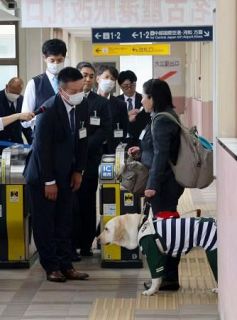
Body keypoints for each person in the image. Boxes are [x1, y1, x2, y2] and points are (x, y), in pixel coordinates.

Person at [23, 67, 89, 282]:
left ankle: (66, 264)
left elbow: (82, 140)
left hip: (66, 174)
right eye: (74, 90)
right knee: (45, 223)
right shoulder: (48, 111)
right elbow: (42, 150)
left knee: (64, 220)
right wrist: (49, 181)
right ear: (62, 91)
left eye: (82, 89)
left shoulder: (80, 106)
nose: (80, 93)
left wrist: (79, 170)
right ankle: (51, 267)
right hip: (43, 177)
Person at [128, 79, 184, 291]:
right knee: (166, 230)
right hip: (165, 183)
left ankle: (169, 278)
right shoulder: (162, 116)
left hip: (164, 185)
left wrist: (152, 185)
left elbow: (161, 156)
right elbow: (158, 150)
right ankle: (166, 277)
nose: (142, 100)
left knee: (167, 231)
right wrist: (141, 152)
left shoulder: (162, 120)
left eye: (144, 96)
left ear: (154, 98)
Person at [71, 61, 112, 259]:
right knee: (71, 205)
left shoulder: (101, 103)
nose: (87, 79)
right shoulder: (68, 99)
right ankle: (71, 244)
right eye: (83, 75)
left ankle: (86, 244)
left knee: (87, 202)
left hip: (89, 160)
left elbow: (105, 128)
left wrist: (85, 146)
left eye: (90, 75)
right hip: (69, 161)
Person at [21, 38, 67, 128]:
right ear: (44, 58)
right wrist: (43, 117)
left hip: (67, 138)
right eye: (52, 60)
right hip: (42, 137)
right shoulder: (34, 84)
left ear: (64, 58)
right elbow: (24, 121)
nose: (56, 64)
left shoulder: (71, 81)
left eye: (60, 60)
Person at [96, 65, 128, 154]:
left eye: (113, 79)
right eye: (106, 77)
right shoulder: (87, 101)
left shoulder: (120, 104)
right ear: (98, 79)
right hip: (92, 150)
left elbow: (124, 129)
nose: (109, 81)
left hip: (112, 149)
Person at [117, 70, 150, 148]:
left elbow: (148, 118)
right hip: (121, 139)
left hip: (140, 139)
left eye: (132, 85)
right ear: (120, 86)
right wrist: (127, 116)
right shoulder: (116, 101)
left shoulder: (144, 98)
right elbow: (114, 120)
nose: (129, 88)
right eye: (126, 86)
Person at [0, 77, 33, 152]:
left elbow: (25, 125)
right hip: (1, 144)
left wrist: (32, 143)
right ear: (6, 86)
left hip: (17, 145)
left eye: (17, 93)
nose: (14, 95)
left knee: (19, 164)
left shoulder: (22, 100)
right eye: (12, 92)